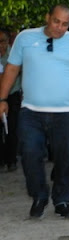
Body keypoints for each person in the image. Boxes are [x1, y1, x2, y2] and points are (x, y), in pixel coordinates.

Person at [0, 5, 69, 219]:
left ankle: (62, 200)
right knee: (29, 155)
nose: (59, 27)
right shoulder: (25, 38)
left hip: (66, 112)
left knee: (66, 158)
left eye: (65, 24)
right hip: (31, 112)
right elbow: (12, 69)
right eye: (56, 21)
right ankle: (39, 196)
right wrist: (2, 98)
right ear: (47, 18)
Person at [0, 28, 20, 172]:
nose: (0, 45)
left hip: (12, 95)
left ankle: (11, 159)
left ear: (8, 41)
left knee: (12, 128)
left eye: (2, 41)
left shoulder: (15, 55)